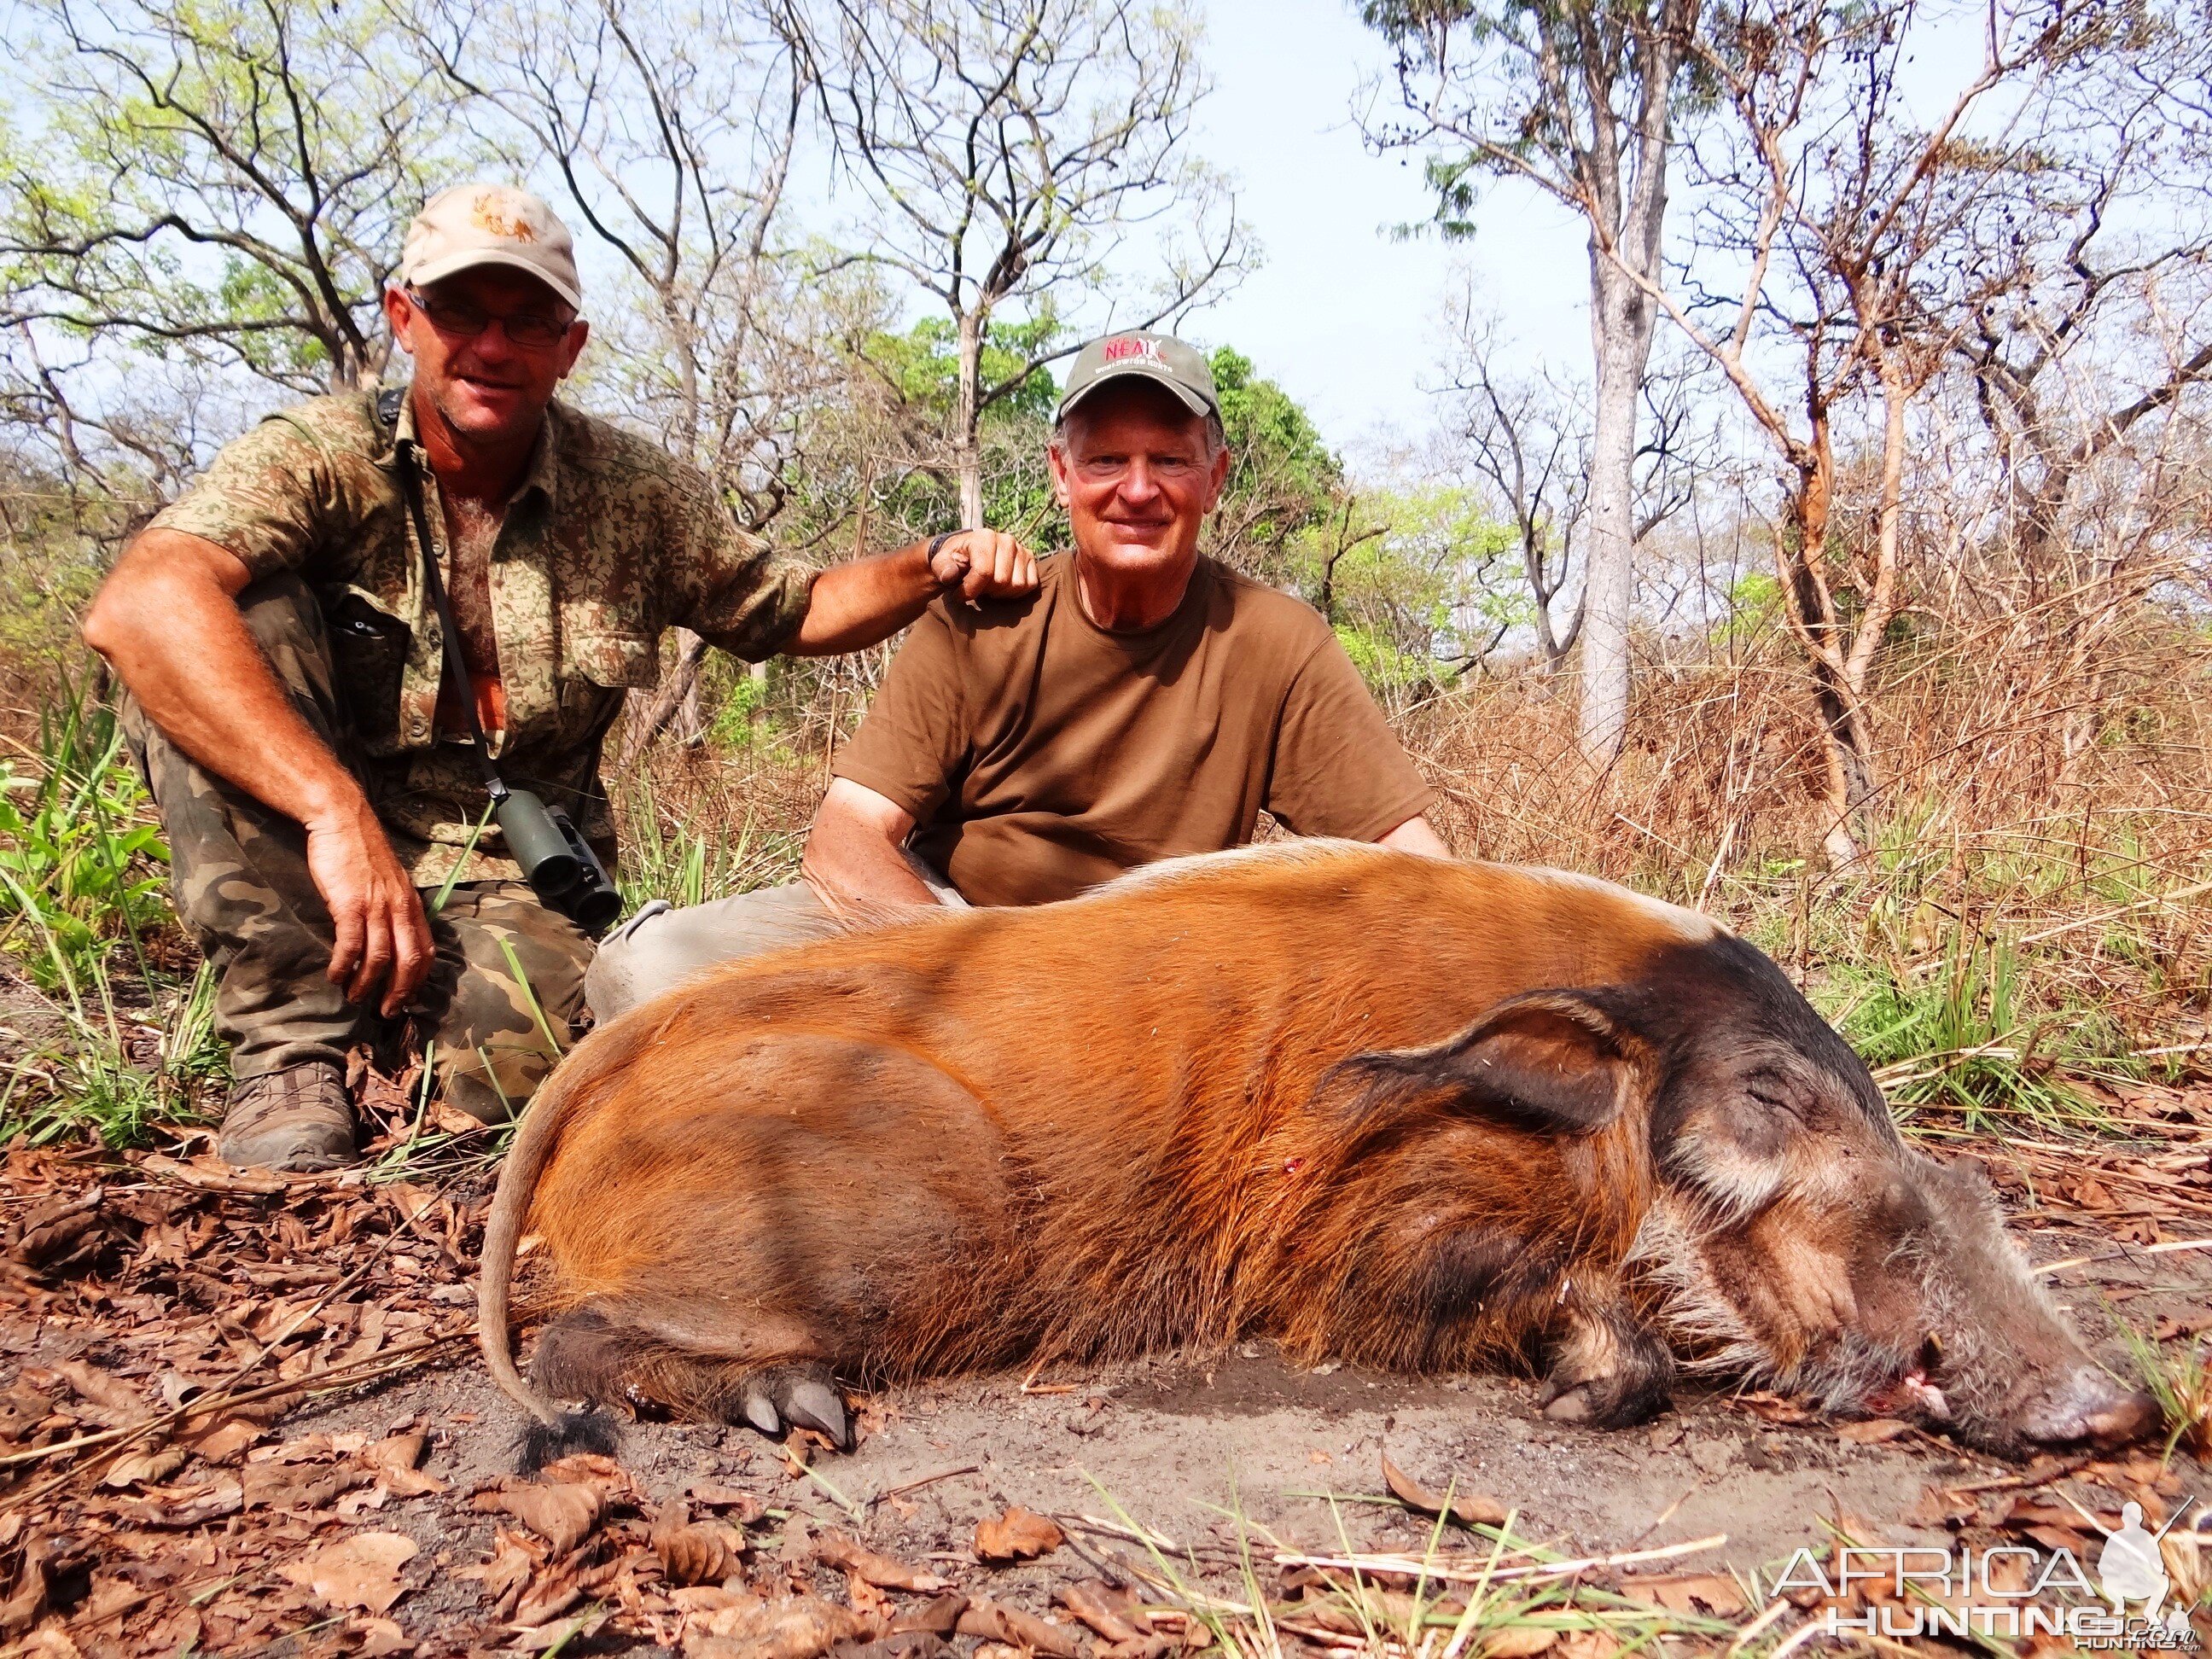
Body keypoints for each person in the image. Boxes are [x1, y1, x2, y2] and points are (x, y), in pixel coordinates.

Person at [81, 183, 1037, 1173]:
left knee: (499, 1086)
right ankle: (285, 1052)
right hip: (319, 848)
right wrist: (331, 813)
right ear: (403, 317)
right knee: (227, 619)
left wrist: (934, 561)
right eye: (461, 312)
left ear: (569, 346)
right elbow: (139, 604)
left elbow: (788, 607)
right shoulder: (321, 459)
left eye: (528, 321)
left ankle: (385, 1030)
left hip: (513, 872)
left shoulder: (631, 487)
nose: (494, 347)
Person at [588, 329, 1447, 1021]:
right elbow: (845, 843)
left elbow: (1417, 871)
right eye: (1106, 460)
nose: (1137, 490)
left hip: (1157, 974)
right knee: (643, 971)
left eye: (1170, 460)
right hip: (952, 938)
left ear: (1216, 478)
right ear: (1061, 473)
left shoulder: (1278, 641)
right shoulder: (983, 613)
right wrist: (987, 981)